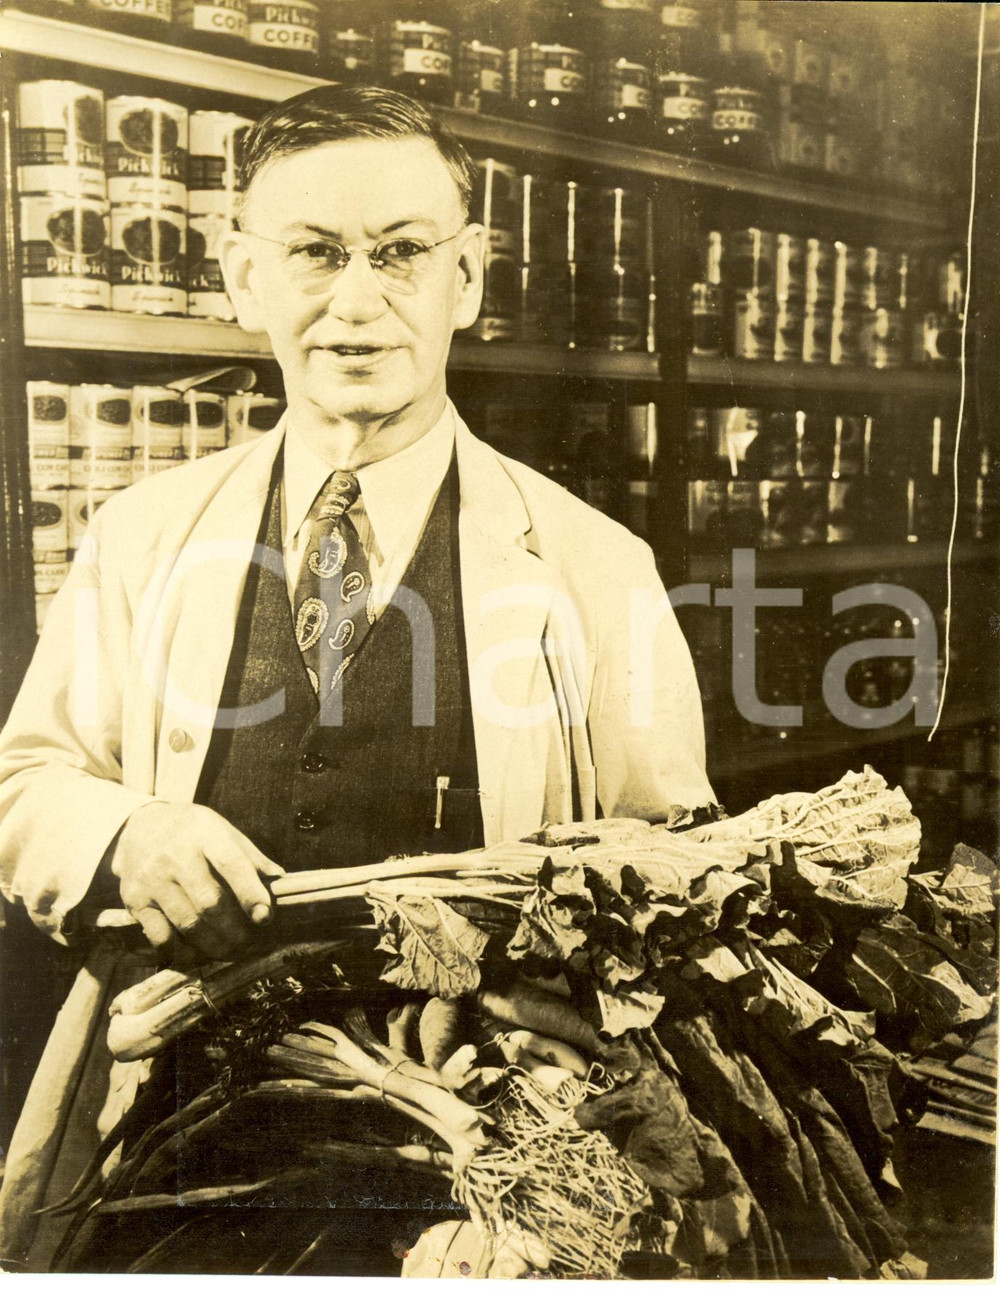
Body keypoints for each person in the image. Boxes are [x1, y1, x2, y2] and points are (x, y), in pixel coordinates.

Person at [0, 84, 713, 1272]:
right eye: (315, 254)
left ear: (468, 282)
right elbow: (25, 784)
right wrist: (126, 831)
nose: (357, 303)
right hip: (181, 1141)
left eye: (400, 254)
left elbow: (670, 886)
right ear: (243, 280)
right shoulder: (141, 533)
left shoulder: (595, 565)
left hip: (474, 1158)